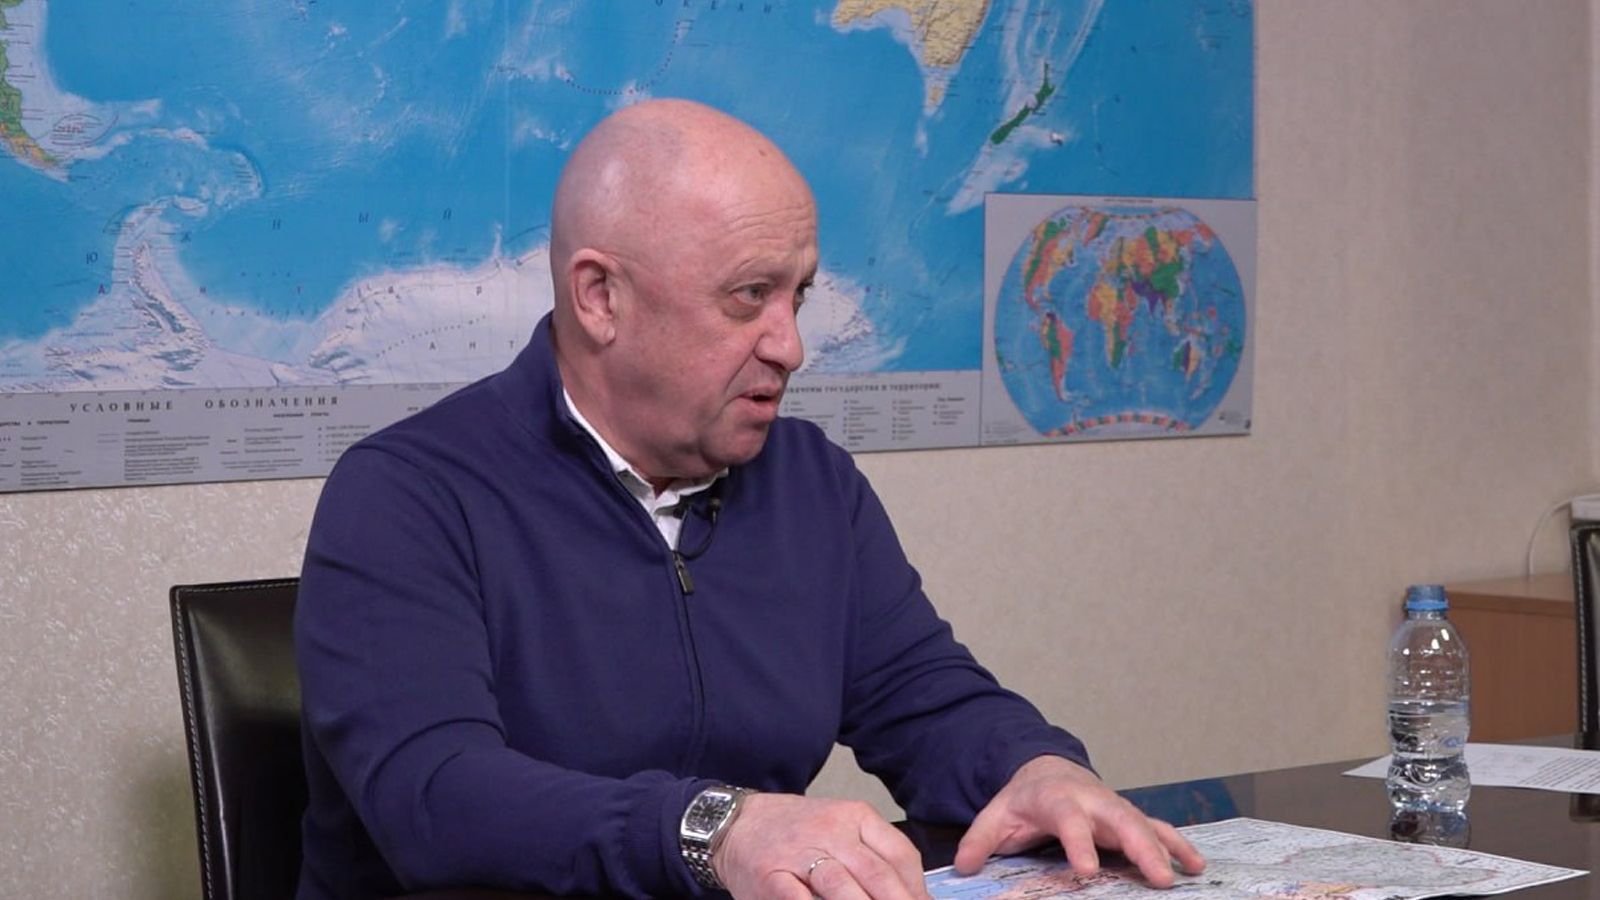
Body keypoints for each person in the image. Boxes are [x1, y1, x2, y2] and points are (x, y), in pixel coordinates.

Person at [294, 98, 1204, 900]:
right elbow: (436, 799)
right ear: (601, 297)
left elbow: (925, 700)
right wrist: (718, 829)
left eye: (797, 295)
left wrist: (1034, 768)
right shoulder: (408, 494)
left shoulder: (812, 481)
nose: (789, 346)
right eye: (749, 296)